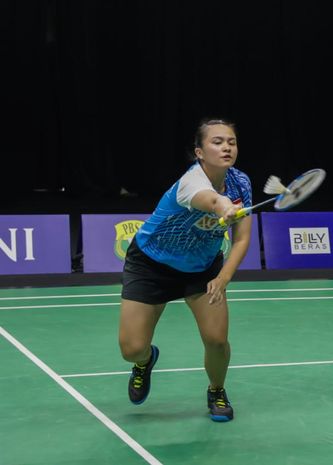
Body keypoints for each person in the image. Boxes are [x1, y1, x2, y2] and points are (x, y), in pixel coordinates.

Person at [118, 118, 253, 422]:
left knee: (217, 340)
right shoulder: (191, 181)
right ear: (199, 152)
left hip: (203, 268)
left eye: (231, 141)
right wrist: (222, 207)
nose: (226, 147)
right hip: (151, 263)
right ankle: (144, 362)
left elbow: (243, 238)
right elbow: (207, 198)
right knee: (131, 348)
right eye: (217, 142)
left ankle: (216, 390)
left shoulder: (241, 182)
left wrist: (223, 277)